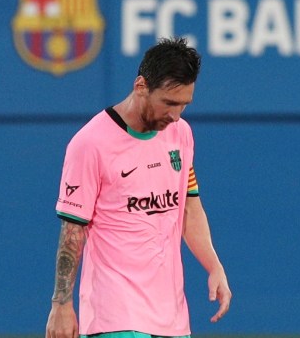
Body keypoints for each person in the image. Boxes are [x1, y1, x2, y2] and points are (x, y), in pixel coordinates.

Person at [45, 37, 232, 338]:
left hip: (171, 318)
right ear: (141, 85)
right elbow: (73, 229)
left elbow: (188, 204)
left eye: (184, 105)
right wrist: (61, 304)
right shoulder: (90, 143)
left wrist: (214, 266)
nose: (176, 115)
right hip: (115, 315)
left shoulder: (180, 134)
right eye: (169, 103)